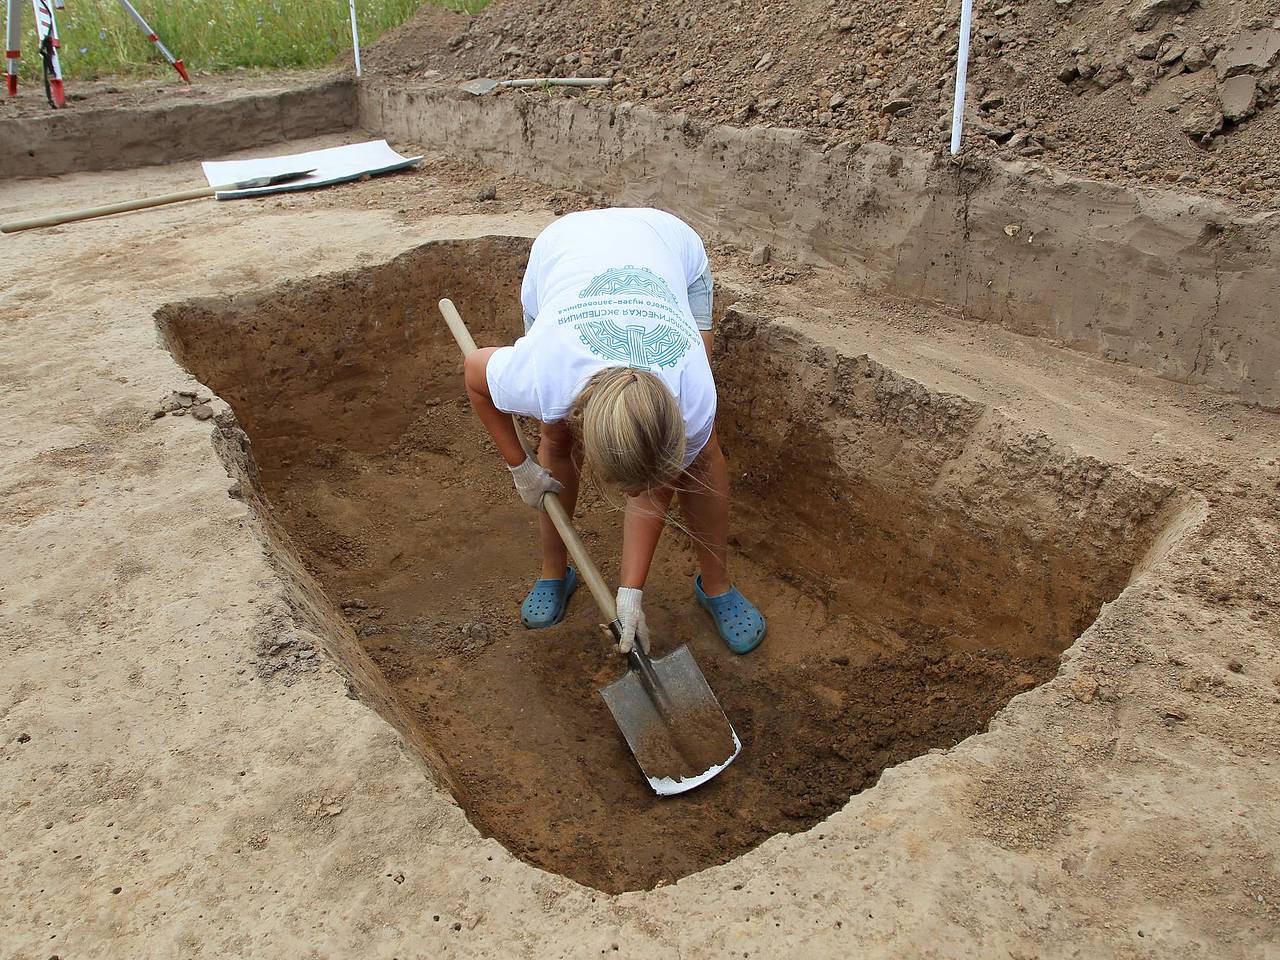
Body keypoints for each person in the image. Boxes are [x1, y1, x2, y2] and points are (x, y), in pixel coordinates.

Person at [462, 207, 765, 656]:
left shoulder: (692, 392)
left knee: (700, 457)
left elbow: (657, 482)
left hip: (668, 243)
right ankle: (553, 570)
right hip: (563, 250)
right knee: (556, 437)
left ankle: (716, 583)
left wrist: (630, 592)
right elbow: (475, 374)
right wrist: (520, 467)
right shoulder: (542, 376)